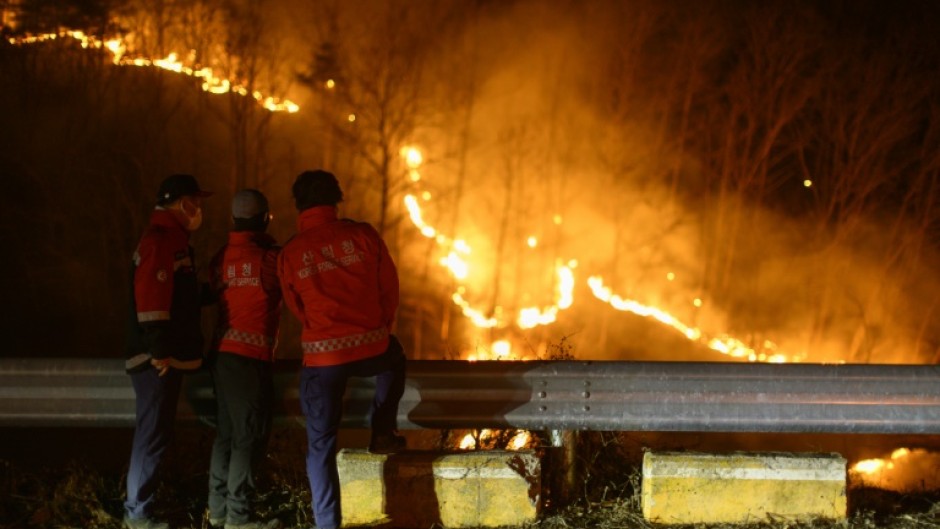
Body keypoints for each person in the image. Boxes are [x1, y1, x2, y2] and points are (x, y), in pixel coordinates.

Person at [278, 170, 407, 529]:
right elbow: (389, 287)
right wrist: (379, 330)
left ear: (299, 205)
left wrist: (323, 333)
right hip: (373, 346)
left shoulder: (290, 252)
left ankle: (327, 524)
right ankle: (382, 431)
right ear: (336, 200)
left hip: (323, 358)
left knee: (320, 446)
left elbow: (295, 306)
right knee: (395, 358)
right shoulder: (363, 235)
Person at [124, 173, 212, 529]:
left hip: (162, 356)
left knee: (156, 435)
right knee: (152, 436)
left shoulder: (171, 240)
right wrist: (159, 349)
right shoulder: (161, 240)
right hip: (156, 359)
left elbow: (179, 296)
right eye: (195, 201)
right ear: (181, 203)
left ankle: (138, 511)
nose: (199, 208)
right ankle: (136, 515)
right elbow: (152, 299)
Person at [206, 190, 283, 529]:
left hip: (222, 357)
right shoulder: (270, 260)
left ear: (234, 220)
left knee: (226, 434)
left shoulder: (220, 258)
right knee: (247, 436)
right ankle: (239, 516)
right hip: (250, 360)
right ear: (265, 218)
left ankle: (217, 512)